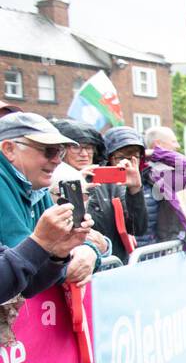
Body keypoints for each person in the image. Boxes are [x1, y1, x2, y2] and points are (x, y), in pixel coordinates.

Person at [0, 113, 96, 286]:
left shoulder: (36, 184)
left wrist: (66, 252)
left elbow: (29, 276)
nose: (58, 161)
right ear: (9, 149)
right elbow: (19, 270)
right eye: (49, 151)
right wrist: (57, 255)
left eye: (60, 151)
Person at [51, 119, 147, 263]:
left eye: (89, 147)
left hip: (111, 267)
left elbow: (136, 228)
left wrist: (135, 191)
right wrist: (76, 191)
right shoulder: (51, 181)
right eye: (76, 147)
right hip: (74, 267)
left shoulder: (108, 183)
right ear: (61, 150)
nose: (84, 153)